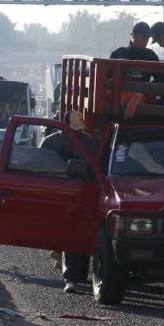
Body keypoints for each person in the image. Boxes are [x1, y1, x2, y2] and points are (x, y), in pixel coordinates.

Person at [40, 110, 97, 293]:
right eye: (74, 130)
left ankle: (74, 275)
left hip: (83, 194)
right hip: (57, 194)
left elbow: (95, 168)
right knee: (64, 233)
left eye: (80, 130)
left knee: (78, 234)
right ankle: (69, 274)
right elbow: (40, 166)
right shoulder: (51, 142)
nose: (78, 133)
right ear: (64, 127)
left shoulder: (89, 142)